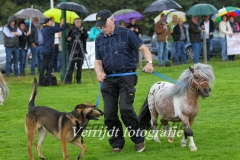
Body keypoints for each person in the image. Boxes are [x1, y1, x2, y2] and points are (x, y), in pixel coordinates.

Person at [94, 9, 153, 153]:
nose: (102, 28)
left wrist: (149, 62)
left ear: (112, 20)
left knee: (126, 109)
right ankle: (117, 143)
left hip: (127, 77)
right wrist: (99, 73)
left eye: (104, 24)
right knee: (109, 114)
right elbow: (97, 61)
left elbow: (144, 48)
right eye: (100, 25)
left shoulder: (127, 34)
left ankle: (139, 140)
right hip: (109, 79)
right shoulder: (99, 39)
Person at [39, 17, 69, 86]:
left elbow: (56, 27)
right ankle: (48, 81)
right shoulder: (49, 28)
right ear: (47, 22)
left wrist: (60, 24)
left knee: (44, 66)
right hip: (48, 49)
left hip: (45, 49)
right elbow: (60, 29)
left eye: (52, 21)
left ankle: (41, 80)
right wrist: (66, 24)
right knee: (49, 66)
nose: (52, 22)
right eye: (50, 21)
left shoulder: (45, 28)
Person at [66, 18, 88, 84]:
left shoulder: (83, 30)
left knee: (80, 65)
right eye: (76, 22)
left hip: (81, 49)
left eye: (79, 22)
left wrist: (82, 31)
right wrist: (68, 39)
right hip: (72, 49)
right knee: (71, 65)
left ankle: (78, 79)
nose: (78, 23)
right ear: (74, 23)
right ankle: (68, 80)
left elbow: (86, 36)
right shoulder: (71, 30)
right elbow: (67, 39)